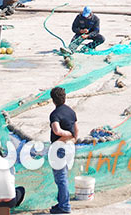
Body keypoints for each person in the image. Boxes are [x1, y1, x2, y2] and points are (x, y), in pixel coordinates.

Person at [49, 86, 78, 214]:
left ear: (53, 100)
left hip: (59, 148)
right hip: (70, 147)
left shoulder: (54, 114)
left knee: (61, 179)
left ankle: (64, 206)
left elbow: (56, 130)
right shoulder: (71, 111)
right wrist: (73, 137)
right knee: (63, 177)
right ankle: (62, 203)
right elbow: (76, 129)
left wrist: (67, 135)